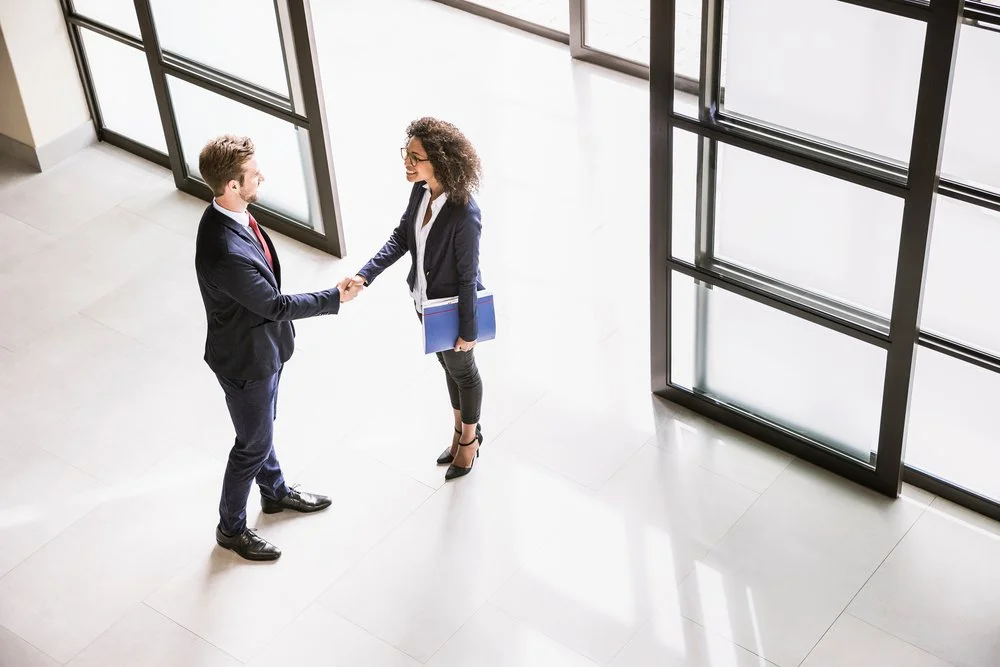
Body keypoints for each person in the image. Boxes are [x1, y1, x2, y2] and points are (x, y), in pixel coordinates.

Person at [195, 135, 358, 561]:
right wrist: (333, 298)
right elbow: (272, 305)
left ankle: (274, 492)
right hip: (246, 360)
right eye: (253, 174)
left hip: (262, 349)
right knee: (250, 444)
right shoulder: (225, 250)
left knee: (261, 426)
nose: (261, 177)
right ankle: (230, 530)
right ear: (232, 185)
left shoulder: (232, 216)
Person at [349, 117, 485, 480]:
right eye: (406, 155)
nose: (407, 164)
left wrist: (467, 331)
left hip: (452, 311)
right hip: (424, 301)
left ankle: (470, 441)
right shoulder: (421, 191)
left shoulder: (465, 214)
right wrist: (365, 274)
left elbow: (468, 278)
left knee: (463, 372)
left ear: (439, 159)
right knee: (447, 367)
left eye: (415, 157)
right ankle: (459, 431)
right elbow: (401, 238)